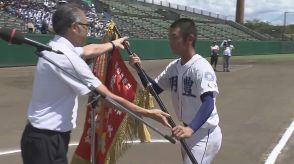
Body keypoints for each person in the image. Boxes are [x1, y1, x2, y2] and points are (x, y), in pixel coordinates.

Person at [20, 3, 171, 164]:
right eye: (86, 25)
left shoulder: (56, 47)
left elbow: (88, 50)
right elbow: (106, 96)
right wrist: (147, 113)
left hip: (43, 137)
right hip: (47, 140)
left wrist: (113, 44)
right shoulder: (67, 59)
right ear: (74, 27)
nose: (88, 30)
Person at [129, 18, 222, 164]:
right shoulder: (174, 66)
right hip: (186, 131)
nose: (170, 42)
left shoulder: (201, 67)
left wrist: (191, 129)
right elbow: (154, 89)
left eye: (174, 37)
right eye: (169, 38)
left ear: (190, 38)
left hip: (204, 134)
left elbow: (209, 102)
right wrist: (139, 69)